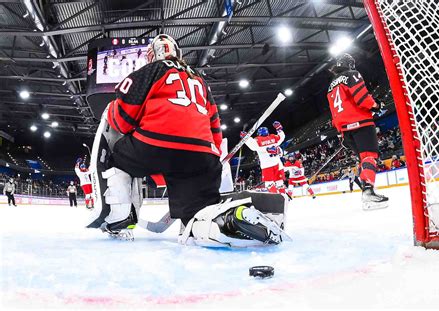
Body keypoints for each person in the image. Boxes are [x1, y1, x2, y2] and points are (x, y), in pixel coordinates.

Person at [87, 34, 289, 246]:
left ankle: (120, 217)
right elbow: (215, 129)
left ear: (151, 55)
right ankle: (235, 217)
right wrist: (209, 159)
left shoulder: (148, 71)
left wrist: (113, 116)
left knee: (117, 157)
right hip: (202, 155)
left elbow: (122, 121)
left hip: (155, 144)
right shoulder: (200, 80)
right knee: (197, 217)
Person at [326, 53, 389, 210]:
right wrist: (376, 105)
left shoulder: (331, 85)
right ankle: (368, 192)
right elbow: (362, 99)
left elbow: (335, 112)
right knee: (369, 157)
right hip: (361, 124)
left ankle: (366, 192)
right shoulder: (351, 74)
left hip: (345, 130)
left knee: (363, 159)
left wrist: (341, 132)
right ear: (350, 64)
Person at [241, 122, 286, 194]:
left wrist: (245, 137)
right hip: (278, 164)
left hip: (267, 165)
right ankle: (284, 197)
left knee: (269, 184)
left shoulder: (258, 140)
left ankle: (276, 198)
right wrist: (279, 129)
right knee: (280, 183)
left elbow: (253, 146)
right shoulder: (273, 137)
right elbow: (281, 137)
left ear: (259, 133)